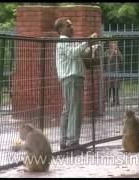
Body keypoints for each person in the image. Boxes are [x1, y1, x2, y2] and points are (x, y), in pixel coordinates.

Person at [54, 17, 97, 150]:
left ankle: (65, 141)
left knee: (68, 110)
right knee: (74, 110)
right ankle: (72, 143)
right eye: (68, 25)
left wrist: (91, 47)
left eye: (71, 25)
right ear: (61, 29)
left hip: (71, 79)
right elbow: (73, 54)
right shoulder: (63, 41)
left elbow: (78, 54)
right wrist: (87, 42)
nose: (72, 28)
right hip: (71, 78)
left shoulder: (68, 42)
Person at [105, 41, 123, 106]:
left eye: (115, 43)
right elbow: (109, 59)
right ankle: (107, 101)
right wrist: (113, 52)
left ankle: (116, 101)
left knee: (116, 87)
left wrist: (118, 53)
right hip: (109, 71)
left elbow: (121, 60)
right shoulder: (107, 51)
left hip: (116, 72)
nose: (114, 45)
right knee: (108, 87)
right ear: (109, 44)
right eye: (112, 43)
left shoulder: (118, 52)